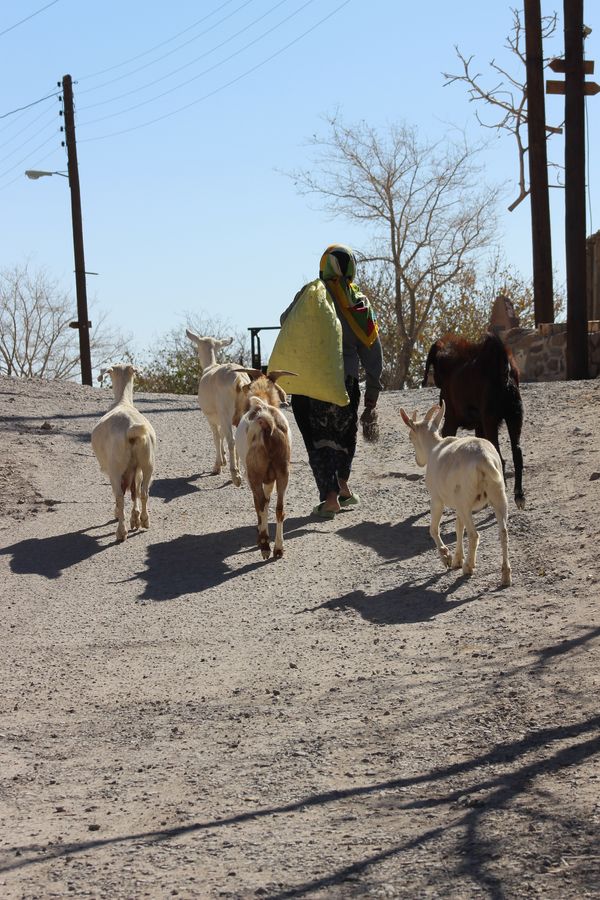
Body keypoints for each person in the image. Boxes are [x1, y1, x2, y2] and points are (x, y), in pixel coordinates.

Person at [280, 244, 383, 519]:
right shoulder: (359, 303)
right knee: (343, 437)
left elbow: (285, 320)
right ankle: (343, 487)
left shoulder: (311, 294)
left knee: (318, 441)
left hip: (313, 382)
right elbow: (372, 349)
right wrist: (372, 391)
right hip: (346, 382)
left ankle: (330, 498)